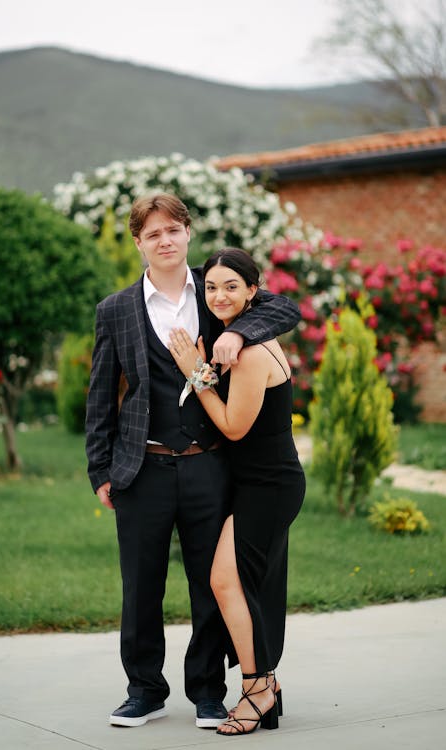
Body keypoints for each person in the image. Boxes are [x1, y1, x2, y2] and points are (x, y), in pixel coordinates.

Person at [85, 194, 301, 729]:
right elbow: (99, 395)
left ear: (187, 234)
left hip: (210, 464)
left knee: (209, 584)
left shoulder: (215, 286)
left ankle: (208, 690)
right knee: (141, 585)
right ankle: (144, 690)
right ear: (139, 242)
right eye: (152, 233)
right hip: (142, 466)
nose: (164, 240)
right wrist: (100, 470)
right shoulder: (115, 310)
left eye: (173, 230)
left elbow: (282, 308)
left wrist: (235, 331)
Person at [168, 247, 305, 737]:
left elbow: (232, 426)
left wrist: (194, 371)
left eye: (231, 286)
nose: (219, 296)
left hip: (269, 485)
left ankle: (257, 689)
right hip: (253, 483)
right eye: (210, 287)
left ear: (253, 290)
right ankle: (264, 681)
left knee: (227, 583)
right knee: (246, 586)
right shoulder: (245, 334)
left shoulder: (248, 352)